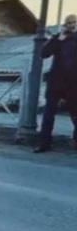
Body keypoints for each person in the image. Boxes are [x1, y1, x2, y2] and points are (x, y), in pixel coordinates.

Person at [35, 14, 77, 153]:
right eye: (69, 23)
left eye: (74, 22)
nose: (72, 25)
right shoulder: (59, 38)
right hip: (56, 82)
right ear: (65, 25)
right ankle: (44, 143)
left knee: (75, 113)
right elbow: (44, 53)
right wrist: (58, 39)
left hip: (73, 83)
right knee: (49, 113)